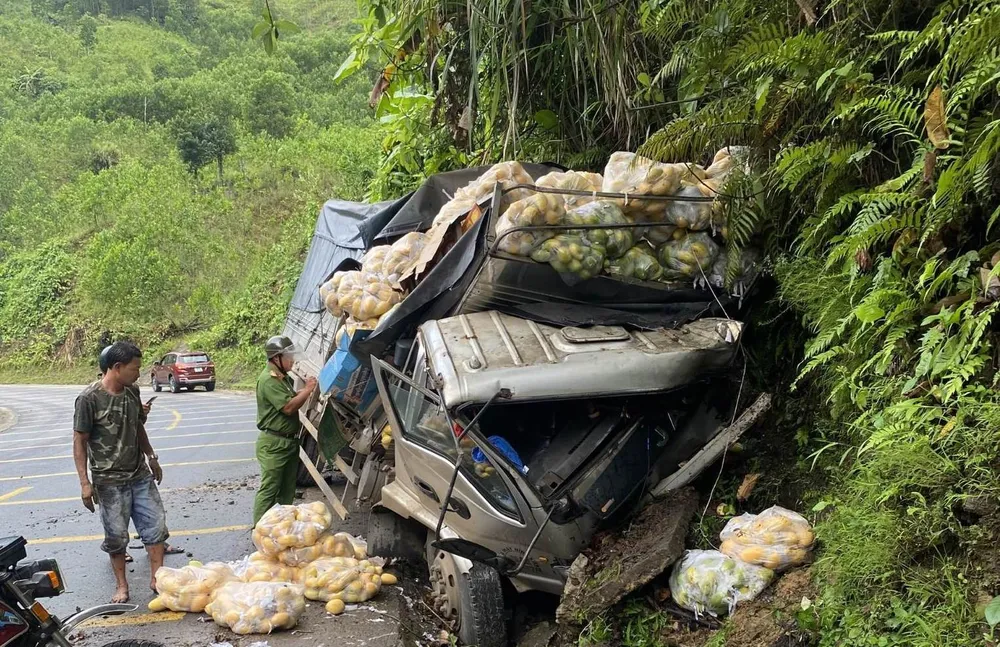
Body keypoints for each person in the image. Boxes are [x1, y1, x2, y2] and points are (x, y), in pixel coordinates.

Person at [73, 342, 173, 603]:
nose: (138, 374)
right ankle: (121, 586)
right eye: (134, 368)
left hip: (139, 474)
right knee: (116, 536)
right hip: (109, 481)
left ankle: (157, 579)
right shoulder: (89, 399)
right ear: (116, 368)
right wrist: (85, 483)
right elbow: (79, 441)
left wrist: (152, 457)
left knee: (155, 527)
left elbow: (138, 426)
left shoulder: (132, 391)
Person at [253, 335, 317, 525]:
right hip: (274, 443)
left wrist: (303, 392)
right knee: (270, 488)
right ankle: (260, 530)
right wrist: (307, 390)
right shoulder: (268, 380)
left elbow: (288, 397)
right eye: (288, 356)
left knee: (287, 489)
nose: (292, 360)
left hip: (288, 441)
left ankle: (281, 527)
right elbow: (288, 407)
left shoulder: (282, 378)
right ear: (276, 359)